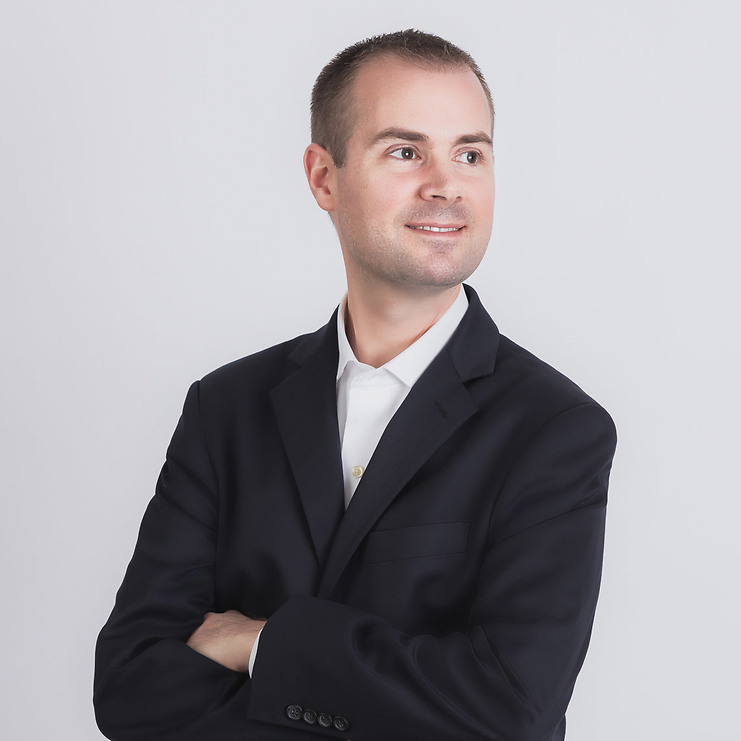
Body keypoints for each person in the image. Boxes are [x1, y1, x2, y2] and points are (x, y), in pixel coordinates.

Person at [94, 29, 617, 741]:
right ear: (324, 178)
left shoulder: (555, 429)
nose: (445, 184)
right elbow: (130, 686)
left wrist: (262, 643)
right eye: (405, 151)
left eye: (469, 154)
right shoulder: (225, 408)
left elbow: (507, 712)